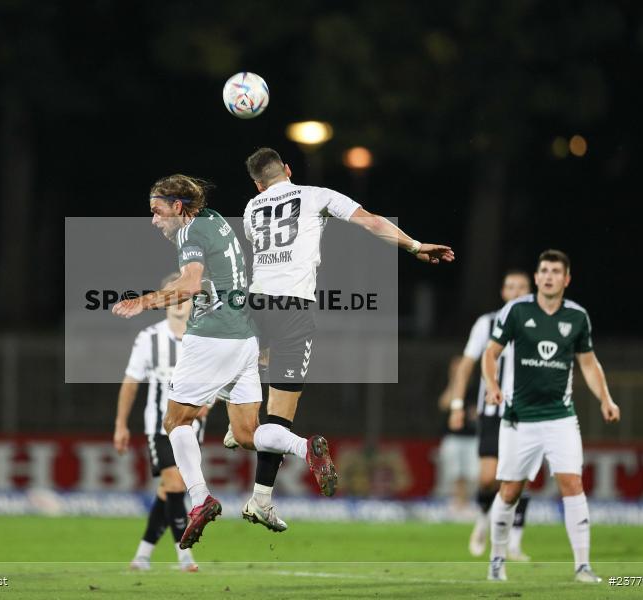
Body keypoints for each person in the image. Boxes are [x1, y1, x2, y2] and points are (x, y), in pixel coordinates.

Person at [232, 147, 455, 531]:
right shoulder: (317, 194)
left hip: (253, 307)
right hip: (292, 312)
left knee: (250, 417)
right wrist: (416, 247)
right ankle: (282, 465)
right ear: (287, 169)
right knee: (279, 418)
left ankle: (257, 495)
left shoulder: (252, 210)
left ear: (257, 183)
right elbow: (369, 222)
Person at [112, 174, 330, 548]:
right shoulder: (214, 218)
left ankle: (200, 499)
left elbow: (190, 285)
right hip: (244, 337)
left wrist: (142, 301)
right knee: (246, 434)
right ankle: (304, 447)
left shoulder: (189, 232)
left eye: (157, 211)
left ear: (178, 207)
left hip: (211, 335)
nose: (154, 220)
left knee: (174, 420)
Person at [483, 250, 620, 583]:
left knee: (572, 483)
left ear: (566, 279)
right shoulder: (516, 310)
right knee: (510, 491)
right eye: (543, 270)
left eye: (555, 271)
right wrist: (492, 384)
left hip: (560, 417)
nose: (548, 276)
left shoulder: (577, 317)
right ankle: (497, 557)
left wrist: (606, 398)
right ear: (537, 276)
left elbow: (588, 363)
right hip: (519, 418)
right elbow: (491, 353)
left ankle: (583, 566)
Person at [114, 272, 207, 572]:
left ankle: (142, 555)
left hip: (193, 429)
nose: (180, 302)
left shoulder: (204, 338)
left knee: (170, 491)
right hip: (159, 427)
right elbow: (131, 382)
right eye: (174, 295)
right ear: (165, 299)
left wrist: (210, 401)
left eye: (185, 296)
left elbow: (221, 377)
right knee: (176, 483)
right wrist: (120, 424)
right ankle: (185, 555)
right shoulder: (149, 339)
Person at [447, 270, 533, 560]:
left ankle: (515, 543)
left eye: (522, 287)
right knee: (487, 478)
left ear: (530, 291)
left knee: (521, 476)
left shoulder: (540, 324)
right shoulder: (487, 323)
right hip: (493, 411)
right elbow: (467, 364)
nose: (516, 291)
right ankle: (483, 519)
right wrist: (458, 404)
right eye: (511, 286)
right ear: (503, 291)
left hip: (529, 411)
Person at [435, 356, 479, 519]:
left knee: (472, 474)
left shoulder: (476, 387)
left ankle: (468, 504)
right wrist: (455, 381)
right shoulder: (451, 387)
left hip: (472, 437)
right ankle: (457, 504)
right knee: (455, 473)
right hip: (453, 437)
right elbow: (444, 404)